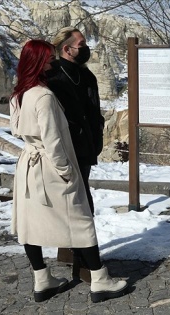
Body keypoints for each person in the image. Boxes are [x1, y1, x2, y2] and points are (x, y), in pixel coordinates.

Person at [9, 39, 128, 303]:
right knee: (80, 219)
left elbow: (18, 129)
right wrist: (66, 171)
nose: (52, 62)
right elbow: (53, 140)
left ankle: (43, 279)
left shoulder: (20, 93)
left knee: (29, 223)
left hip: (27, 165)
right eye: (48, 59)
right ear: (40, 62)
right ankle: (100, 279)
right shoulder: (44, 96)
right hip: (50, 165)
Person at [46, 27, 105, 275]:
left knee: (79, 202)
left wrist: (96, 133)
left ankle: (72, 253)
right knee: (80, 206)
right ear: (66, 49)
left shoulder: (85, 75)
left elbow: (92, 109)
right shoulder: (53, 76)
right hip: (66, 149)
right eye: (81, 44)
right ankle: (86, 265)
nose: (85, 47)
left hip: (86, 147)